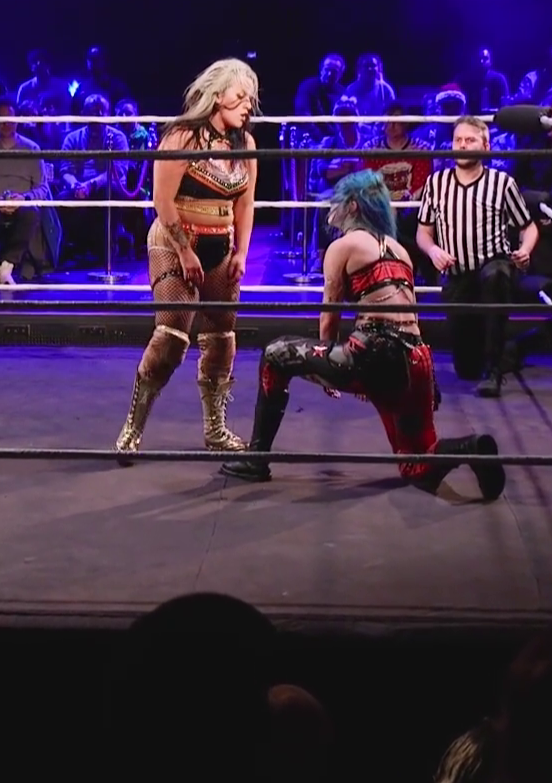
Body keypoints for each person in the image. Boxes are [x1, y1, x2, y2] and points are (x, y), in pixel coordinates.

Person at [221, 171, 505, 498]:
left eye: (336, 201)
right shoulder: (400, 250)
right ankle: (471, 447)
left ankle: (256, 460)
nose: (330, 208)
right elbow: (410, 315)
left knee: (276, 354)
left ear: (352, 206)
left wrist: (329, 364)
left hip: (375, 350)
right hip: (416, 358)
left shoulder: (343, 246)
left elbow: (330, 312)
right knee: (416, 464)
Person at [115, 58, 260, 457]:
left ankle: (216, 429)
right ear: (217, 96)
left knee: (222, 338)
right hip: (175, 238)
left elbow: (246, 203)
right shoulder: (182, 136)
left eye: (250, 98)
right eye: (240, 96)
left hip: (220, 244)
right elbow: (162, 200)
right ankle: (132, 428)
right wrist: (184, 250)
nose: (248, 105)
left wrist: (242, 252)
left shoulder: (244, 144)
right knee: (171, 338)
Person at [415, 115, 537, 396]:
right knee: (467, 369)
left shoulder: (501, 183)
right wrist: (433, 250)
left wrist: (524, 250)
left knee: (496, 276)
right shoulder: (437, 183)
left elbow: (528, 227)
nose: (462, 145)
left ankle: (494, 371)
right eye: (458, 140)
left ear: (485, 145)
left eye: (470, 140)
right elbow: (423, 232)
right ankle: (512, 350)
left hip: (493, 265)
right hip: (457, 273)